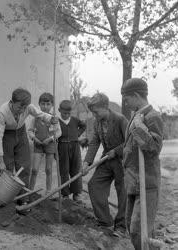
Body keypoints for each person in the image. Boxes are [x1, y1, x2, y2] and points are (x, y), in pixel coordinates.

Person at [0, 88, 58, 206]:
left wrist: (50, 118)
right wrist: (0, 160)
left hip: (21, 133)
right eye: (19, 107)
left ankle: (23, 199)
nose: (22, 110)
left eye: (24, 108)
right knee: (7, 167)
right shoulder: (2, 112)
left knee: (24, 166)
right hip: (6, 136)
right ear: (12, 103)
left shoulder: (29, 107)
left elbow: (40, 114)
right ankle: (5, 200)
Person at [121, 78, 163, 250]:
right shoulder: (135, 116)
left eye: (127, 98)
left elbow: (153, 147)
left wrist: (139, 127)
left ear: (137, 95)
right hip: (133, 182)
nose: (125, 102)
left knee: (139, 230)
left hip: (147, 182)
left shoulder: (152, 117)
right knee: (132, 227)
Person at [81, 93, 128, 236]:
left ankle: (121, 226)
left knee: (123, 192)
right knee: (94, 185)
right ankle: (105, 221)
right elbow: (95, 142)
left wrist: (117, 151)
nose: (94, 115)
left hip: (122, 160)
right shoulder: (97, 122)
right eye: (92, 112)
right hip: (107, 159)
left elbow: (130, 142)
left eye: (96, 112)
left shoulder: (120, 120)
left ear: (106, 107)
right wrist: (86, 162)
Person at [28, 93, 61, 194]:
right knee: (34, 169)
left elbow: (59, 132)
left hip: (50, 145)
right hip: (38, 145)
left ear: (52, 105)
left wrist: (50, 139)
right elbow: (29, 130)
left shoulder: (54, 119)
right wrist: (34, 138)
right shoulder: (36, 118)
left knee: (48, 169)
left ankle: (48, 191)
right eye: (43, 104)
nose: (45, 107)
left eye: (48, 104)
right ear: (39, 104)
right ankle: (30, 191)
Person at [58, 100, 86, 202]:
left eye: (69, 113)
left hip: (75, 146)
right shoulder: (56, 121)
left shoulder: (74, 120)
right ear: (59, 110)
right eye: (64, 113)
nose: (66, 115)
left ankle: (77, 193)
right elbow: (52, 133)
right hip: (62, 146)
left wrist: (77, 134)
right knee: (64, 171)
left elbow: (83, 126)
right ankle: (65, 194)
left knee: (76, 169)